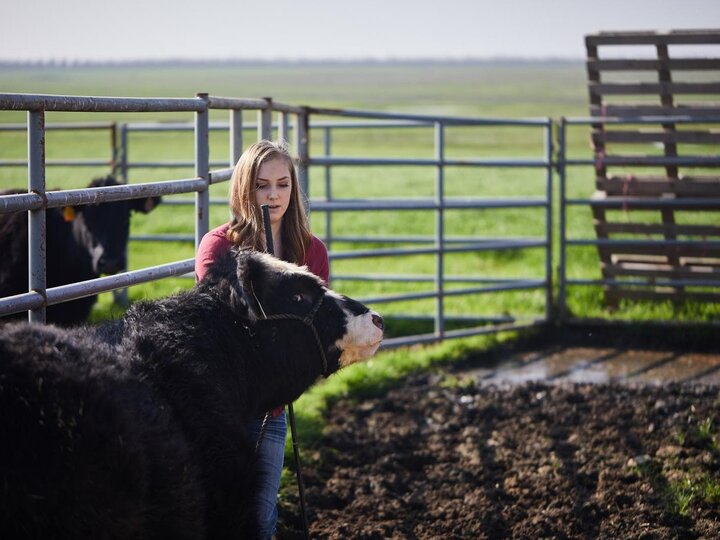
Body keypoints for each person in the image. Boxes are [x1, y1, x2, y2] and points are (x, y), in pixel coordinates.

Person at [194, 139, 329, 538]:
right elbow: (220, 326)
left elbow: (313, 331)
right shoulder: (219, 246)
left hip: (272, 409)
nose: (273, 195)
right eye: (262, 184)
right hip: (222, 407)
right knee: (213, 514)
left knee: (261, 517)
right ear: (244, 188)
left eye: (283, 184)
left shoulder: (310, 251)